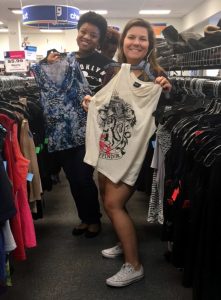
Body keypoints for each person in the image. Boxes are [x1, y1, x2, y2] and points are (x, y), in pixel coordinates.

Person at [82, 18, 172, 286]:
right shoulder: (112, 71)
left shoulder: (157, 76)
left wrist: (167, 92)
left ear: (149, 44)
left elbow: (166, 115)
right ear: (123, 42)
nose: (136, 42)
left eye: (143, 38)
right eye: (132, 37)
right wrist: (90, 102)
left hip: (136, 152)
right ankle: (124, 240)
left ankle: (134, 265)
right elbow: (104, 100)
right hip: (109, 145)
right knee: (105, 194)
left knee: (113, 203)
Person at [34, 12, 113, 238]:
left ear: (100, 39)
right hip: (63, 129)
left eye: (93, 35)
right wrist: (47, 62)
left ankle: (93, 219)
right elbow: (43, 77)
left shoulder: (106, 64)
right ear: (77, 32)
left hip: (90, 129)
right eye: (83, 32)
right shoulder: (64, 60)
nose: (86, 37)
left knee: (83, 176)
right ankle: (85, 218)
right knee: (73, 178)